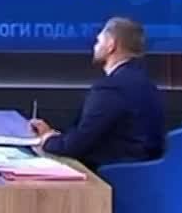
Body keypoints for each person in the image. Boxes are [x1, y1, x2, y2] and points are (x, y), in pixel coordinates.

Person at [29, 16, 165, 170]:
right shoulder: (145, 82)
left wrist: (47, 139)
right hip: (143, 170)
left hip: (117, 174)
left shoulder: (111, 87)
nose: (94, 47)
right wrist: (54, 135)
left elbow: (75, 146)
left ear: (111, 45)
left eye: (98, 41)